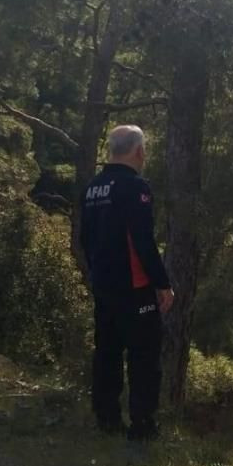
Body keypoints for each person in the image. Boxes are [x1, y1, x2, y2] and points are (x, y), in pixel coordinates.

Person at [79, 125, 174, 441]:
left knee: (106, 352)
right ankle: (143, 426)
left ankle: (106, 419)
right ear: (139, 151)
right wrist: (162, 284)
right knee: (144, 357)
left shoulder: (93, 187)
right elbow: (143, 240)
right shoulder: (135, 187)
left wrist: (96, 275)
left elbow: (84, 238)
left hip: (104, 284)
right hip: (135, 287)